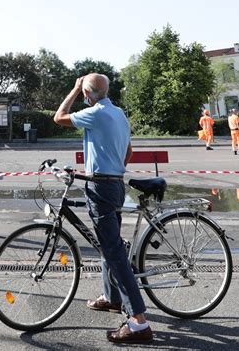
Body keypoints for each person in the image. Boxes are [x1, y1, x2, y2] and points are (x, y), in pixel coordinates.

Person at [54, 73, 153, 345]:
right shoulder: (118, 113)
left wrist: (74, 89)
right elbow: (129, 151)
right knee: (106, 243)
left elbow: (59, 117)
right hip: (115, 184)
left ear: (88, 94)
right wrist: (112, 167)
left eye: (84, 92)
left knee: (113, 252)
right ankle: (111, 298)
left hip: (101, 188)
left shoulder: (94, 113)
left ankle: (138, 322)